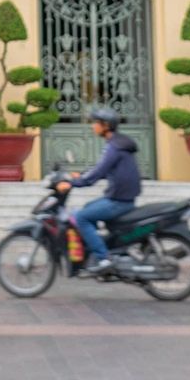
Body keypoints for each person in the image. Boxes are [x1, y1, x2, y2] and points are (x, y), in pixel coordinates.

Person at [55, 106, 142, 275]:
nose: (92, 126)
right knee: (88, 207)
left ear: (106, 126)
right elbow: (102, 168)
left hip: (118, 201)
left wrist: (73, 183)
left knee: (80, 217)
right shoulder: (117, 144)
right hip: (121, 198)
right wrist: (80, 175)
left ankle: (104, 258)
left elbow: (98, 173)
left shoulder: (114, 147)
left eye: (96, 122)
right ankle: (97, 248)